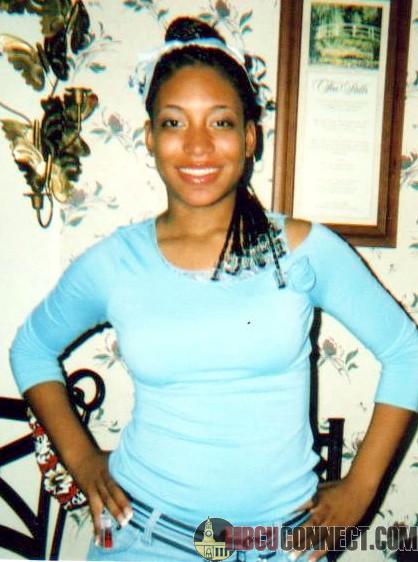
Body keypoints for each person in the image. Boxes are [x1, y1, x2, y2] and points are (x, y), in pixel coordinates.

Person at [9, 16, 418, 562]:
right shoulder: (115, 263)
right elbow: (31, 348)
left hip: (279, 546)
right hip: (145, 539)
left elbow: (407, 352)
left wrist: (361, 491)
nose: (197, 146)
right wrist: (83, 461)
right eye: (174, 123)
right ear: (150, 138)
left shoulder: (300, 250)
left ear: (249, 138)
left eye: (220, 122)